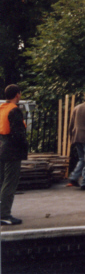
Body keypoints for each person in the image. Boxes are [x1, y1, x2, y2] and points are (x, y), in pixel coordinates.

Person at [0, 85, 28, 225]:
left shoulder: (2, 109)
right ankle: (4, 214)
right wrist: (24, 147)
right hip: (12, 151)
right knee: (9, 183)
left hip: (2, 147)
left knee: (2, 181)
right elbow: (18, 134)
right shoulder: (14, 110)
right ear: (18, 94)